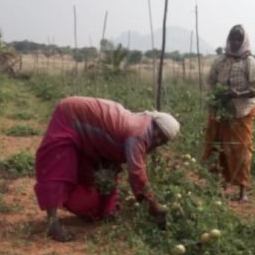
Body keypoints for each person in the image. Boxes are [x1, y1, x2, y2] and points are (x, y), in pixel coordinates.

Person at [34, 96, 180, 242]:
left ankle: (103, 212)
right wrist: (153, 205)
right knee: (59, 167)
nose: (159, 142)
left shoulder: (145, 124)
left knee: (102, 175)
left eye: (164, 141)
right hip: (70, 115)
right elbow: (136, 173)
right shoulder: (139, 134)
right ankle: (53, 223)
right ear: (154, 126)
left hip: (91, 131)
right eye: (159, 136)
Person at [202, 24, 255, 202]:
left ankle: (243, 190)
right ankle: (216, 185)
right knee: (216, 146)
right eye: (232, 38)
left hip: (241, 112)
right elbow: (210, 80)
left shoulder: (249, 62)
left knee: (241, 149)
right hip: (220, 111)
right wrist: (217, 94)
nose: (235, 42)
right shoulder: (220, 60)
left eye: (238, 39)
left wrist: (238, 94)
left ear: (243, 41)